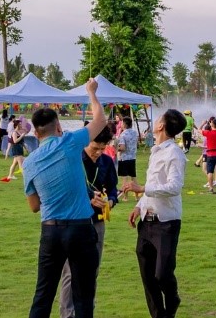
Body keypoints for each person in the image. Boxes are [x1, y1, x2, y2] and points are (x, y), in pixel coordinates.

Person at [21, 77, 107, 318]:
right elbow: (100, 121)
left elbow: (34, 206)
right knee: (83, 296)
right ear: (58, 127)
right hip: (80, 229)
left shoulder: (29, 162)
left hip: (51, 231)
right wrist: (91, 92)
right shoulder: (69, 142)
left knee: (43, 294)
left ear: (36, 133)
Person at [126, 108, 186, 318]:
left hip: (166, 221)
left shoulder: (174, 153)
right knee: (148, 275)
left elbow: (174, 187)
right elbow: (154, 183)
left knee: (162, 274)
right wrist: (139, 205)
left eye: (158, 118)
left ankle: (173, 298)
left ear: (161, 125)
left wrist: (142, 188)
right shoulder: (156, 150)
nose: (155, 121)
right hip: (147, 219)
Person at [58, 124, 117, 318]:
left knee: (92, 270)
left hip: (97, 222)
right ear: (85, 142)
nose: (98, 153)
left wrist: (109, 202)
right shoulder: (73, 160)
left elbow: (113, 189)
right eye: (95, 148)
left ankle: (86, 312)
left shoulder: (106, 162)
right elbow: (66, 190)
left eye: (102, 148)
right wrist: (89, 198)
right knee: (70, 272)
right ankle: (67, 314)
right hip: (74, 222)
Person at [116, 116, 141, 193]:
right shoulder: (135, 133)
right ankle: (137, 194)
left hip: (124, 158)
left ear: (124, 124)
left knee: (125, 179)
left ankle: (125, 196)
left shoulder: (123, 134)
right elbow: (137, 144)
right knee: (133, 177)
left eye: (122, 123)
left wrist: (116, 148)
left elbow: (122, 148)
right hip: (132, 157)